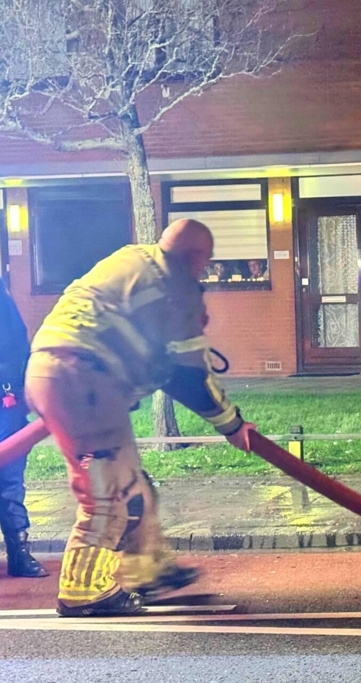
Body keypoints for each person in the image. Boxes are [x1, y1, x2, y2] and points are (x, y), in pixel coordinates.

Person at [25, 219, 257, 617]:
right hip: (86, 382)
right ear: (198, 257)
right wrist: (232, 425)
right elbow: (188, 373)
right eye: (206, 260)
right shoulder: (176, 286)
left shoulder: (131, 257)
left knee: (134, 486)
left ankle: (146, 570)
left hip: (57, 374)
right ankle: (83, 591)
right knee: (110, 495)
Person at [0, 279, 48, 578]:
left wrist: (19, 389)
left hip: (5, 399)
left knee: (10, 479)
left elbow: (18, 344)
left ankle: (19, 551)